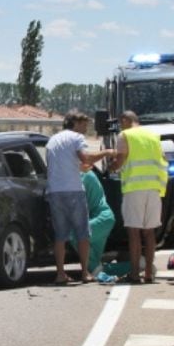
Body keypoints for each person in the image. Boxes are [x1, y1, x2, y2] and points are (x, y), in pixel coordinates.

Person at [45, 110, 115, 284]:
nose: (85, 128)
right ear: (75, 124)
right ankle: (85, 273)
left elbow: (60, 167)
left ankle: (60, 273)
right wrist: (107, 152)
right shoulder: (76, 138)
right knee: (82, 233)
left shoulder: (52, 140)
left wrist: (78, 168)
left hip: (55, 192)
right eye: (84, 124)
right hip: (74, 191)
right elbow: (87, 158)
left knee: (60, 235)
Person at [109, 111, 167, 283]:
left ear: (126, 120)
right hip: (154, 189)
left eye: (121, 123)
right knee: (149, 233)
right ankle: (148, 272)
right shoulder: (153, 136)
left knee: (134, 232)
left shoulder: (125, 135)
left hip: (134, 189)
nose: (121, 126)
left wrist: (111, 167)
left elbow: (120, 161)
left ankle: (134, 273)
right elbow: (163, 160)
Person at [80, 163, 116, 275]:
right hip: (103, 218)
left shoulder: (84, 176)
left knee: (76, 233)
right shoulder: (85, 174)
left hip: (101, 218)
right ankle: (139, 264)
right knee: (95, 265)